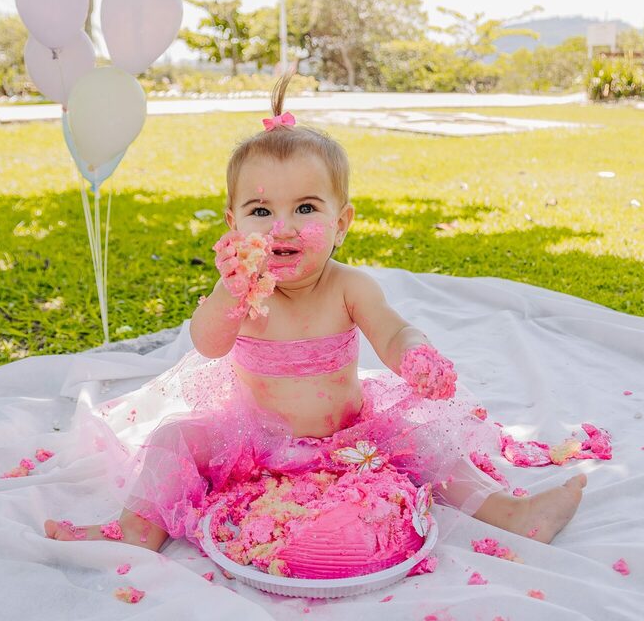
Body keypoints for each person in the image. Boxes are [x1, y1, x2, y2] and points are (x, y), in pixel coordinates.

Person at [45, 73, 586, 553]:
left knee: (426, 440)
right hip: (251, 442)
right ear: (234, 225)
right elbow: (208, 343)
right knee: (173, 439)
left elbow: (392, 329)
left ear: (342, 221)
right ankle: (138, 529)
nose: (281, 228)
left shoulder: (348, 286)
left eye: (305, 208)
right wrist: (229, 297)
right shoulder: (243, 291)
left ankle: (513, 514)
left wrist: (415, 354)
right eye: (261, 211)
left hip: (349, 436)